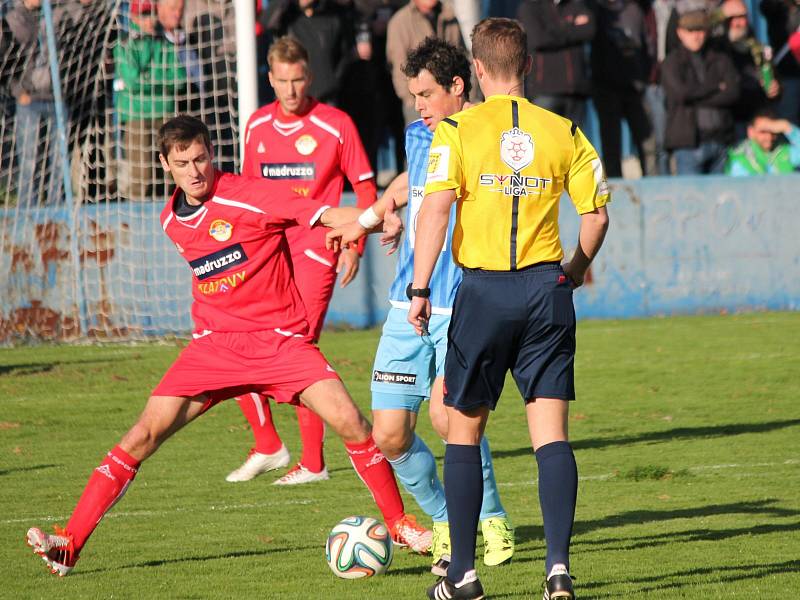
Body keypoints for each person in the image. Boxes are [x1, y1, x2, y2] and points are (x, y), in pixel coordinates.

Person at [24, 115, 429, 576]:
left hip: (279, 343)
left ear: (211, 154)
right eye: (182, 163)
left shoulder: (251, 195)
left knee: (353, 423)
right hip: (214, 348)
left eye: (201, 158)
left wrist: (375, 220)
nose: (195, 170)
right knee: (141, 435)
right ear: (165, 165)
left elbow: (324, 215)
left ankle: (399, 524)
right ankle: (69, 544)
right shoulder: (170, 222)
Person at [407, 18, 609, 600]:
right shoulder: (564, 131)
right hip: (547, 291)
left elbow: (436, 211)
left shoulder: (458, 130)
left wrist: (420, 290)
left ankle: (463, 575)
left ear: (476, 68)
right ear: (529, 66)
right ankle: (558, 572)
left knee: (464, 433)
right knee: (551, 435)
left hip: (485, 293)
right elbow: (595, 216)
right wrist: (571, 270)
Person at [327, 36, 515, 577]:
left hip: (463, 301)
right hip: (406, 302)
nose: (420, 106)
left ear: (459, 87)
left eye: (428, 94)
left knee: (447, 416)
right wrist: (384, 208)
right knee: (388, 433)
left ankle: (492, 517)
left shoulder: (492, 136)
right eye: (414, 96)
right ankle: (441, 518)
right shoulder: (418, 134)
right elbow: (414, 178)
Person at [228, 37, 384, 492]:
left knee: (297, 348)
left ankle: (313, 461)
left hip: (318, 249)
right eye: (282, 81)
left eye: (298, 80)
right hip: (267, 253)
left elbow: (366, 189)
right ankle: (267, 444)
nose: (291, 90)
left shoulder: (336, 125)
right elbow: (250, 195)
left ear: (308, 77)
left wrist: (356, 242)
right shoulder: (257, 126)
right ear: (270, 78)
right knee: (236, 338)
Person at [114, 0, 188, 200]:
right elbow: (132, 81)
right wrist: (161, 80)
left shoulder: (163, 41)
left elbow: (180, 79)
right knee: (141, 174)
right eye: (143, 15)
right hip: (136, 114)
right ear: (133, 17)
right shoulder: (125, 44)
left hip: (163, 112)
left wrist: (147, 79)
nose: (148, 20)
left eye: (150, 14)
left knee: (169, 172)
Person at [662, 9, 740, 174]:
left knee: (721, 196)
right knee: (691, 198)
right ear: (680, 33)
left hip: (720, 141)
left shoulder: (720, 59)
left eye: (700, 30)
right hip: (688, 145)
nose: (696, 36)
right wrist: (715, 87)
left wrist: (695, 97)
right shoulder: (672, 62)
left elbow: (732, 93)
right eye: (691, 31)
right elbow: (681, 94)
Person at [516, 0, 596, 130]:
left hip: (576, 92)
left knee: (575, 146)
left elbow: (589, 30)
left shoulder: (576, 5)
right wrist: (572, 26)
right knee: (546, 145)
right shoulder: (530, 6)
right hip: (545, 91)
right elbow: (538, 39)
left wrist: (554, 30)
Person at [386, 0, 466, 126]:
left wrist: (467, 97)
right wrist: (415, 100)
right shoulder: (399, 22)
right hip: (417, 111)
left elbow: (464, 58)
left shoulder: (449, 16)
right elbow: (398, 70)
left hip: (454, 103)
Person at [725, 110, 800, 175]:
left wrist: (787, 127)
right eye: (763, 132)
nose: (769, 137)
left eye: (772, 131)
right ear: (750, 132)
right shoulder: (740, 158)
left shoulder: (784, 152)